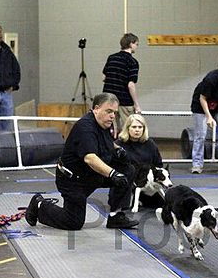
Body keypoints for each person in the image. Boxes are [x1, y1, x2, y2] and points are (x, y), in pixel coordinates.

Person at [25, 93, 139, 230]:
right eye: (109, 111)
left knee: (128, 170)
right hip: (73, 180)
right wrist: (113, 173)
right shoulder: (85, 127)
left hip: (92, 174)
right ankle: (39, 204)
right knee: (73, 222)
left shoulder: (104, 124)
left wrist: (117, 149)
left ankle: (116, 216)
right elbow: (90, 158)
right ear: (96, 109)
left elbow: (105, 142)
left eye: (114, 112)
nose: (113, 116)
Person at [116, 113, 165, 208]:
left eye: (140, 127)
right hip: (126, 183)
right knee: (123, 206)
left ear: (144, 129)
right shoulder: (119, 144)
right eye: (134, 127)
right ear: (128, 128)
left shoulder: (150, 144)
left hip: (146, 184)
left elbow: (158, 165)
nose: (137, 130)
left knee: (160, 204)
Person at [102, 33, 141, 135]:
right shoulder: (133, 62)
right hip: (125, 101)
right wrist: (137, 105)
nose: (137, 47)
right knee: (128, 130)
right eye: (136, 44)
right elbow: (130, 84)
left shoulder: (111, 58)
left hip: (109, 100)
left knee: (111, 131)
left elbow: (104, 77)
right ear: (131, 44)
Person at [0, 23, 21, 131]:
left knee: (6, 127)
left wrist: (14, 85)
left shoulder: (7, 51)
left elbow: (16, 69)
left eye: (0, 31)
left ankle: (4, 147)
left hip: (6, 94)